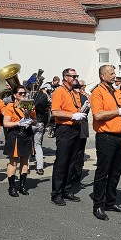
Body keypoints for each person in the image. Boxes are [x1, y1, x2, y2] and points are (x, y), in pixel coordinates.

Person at [90, 64, 121, 220]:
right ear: (103, 76)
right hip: (106, 137)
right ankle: (98, 206)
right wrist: (118, 112)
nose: (115, 76)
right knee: (103, 172)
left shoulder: (116, 91)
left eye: (114, 73)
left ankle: (110, 202)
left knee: (116, 172)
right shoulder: (97, 92)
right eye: (112, 73)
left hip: (120, 137)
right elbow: (98, 115)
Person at [49, 68, 86, 206]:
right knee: (62, 161)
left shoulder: (74, 92)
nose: (76, 78)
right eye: (73, 76)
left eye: (76, 76)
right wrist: (72, 115)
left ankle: (66, 189)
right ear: (65, 77)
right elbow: (55, 112)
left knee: (72, 161)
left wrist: (81, 112)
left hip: (75, 128)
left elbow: (75, 108)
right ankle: (56, 193)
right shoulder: (59, 91)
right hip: (64, 129)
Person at [2, 85, 36, 196]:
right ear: (14, 95)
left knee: (25, 161)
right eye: (20, 93)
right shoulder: (10, 106)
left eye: (24, 93)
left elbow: (35, 120)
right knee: (13, 162)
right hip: (15, 134)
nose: (23, 95)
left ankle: (22, 186)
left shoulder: (30, 105)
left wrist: (31, 121)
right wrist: (18, 123)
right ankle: (12, 187)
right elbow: (5, 123)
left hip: (27, 134)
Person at [68, 80, 90, 188]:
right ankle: (77, 173)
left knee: (74, 152)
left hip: (76, 127)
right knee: (80, 152)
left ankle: (72, 173)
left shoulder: (72, 97)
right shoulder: (85, 97)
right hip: (83, 127)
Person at [32, 84, 52, 175]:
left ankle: (26, 167)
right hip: (40, 122)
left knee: (29, 145)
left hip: (32, 122)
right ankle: (39, 167)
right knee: (38, 145)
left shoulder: (32, 95)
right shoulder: (44, 96)